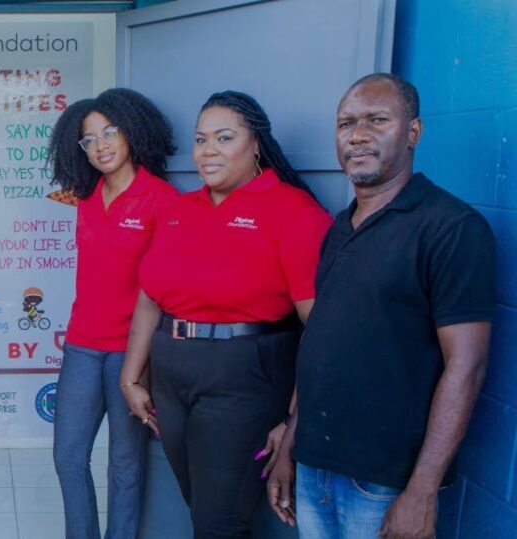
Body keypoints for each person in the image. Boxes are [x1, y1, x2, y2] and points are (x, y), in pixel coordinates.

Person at [266, 73, 496, 539]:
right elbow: (323, 344)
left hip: (382, 483)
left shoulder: (451, 227)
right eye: (346, 123)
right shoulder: (339, 228)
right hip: (315, 466)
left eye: (377, 120)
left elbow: (466, 367)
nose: (358, 135)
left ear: (413, 132)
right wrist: (292, 439)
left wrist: (421, 492)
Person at [121, 91, 332, 538]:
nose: (208, 150)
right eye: (201, 140)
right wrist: (131, 377)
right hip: (172, 375)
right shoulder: (181, 210)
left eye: (224, 137)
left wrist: (295, 421)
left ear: (255, 144)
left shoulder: (293, 211)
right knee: (202, 508)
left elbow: (324, 330)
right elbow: (149, 297)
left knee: (220, 523)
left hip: (244, 376)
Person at [45, 87, 180, 539]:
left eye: (110, 132)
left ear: (132, 133)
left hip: (132, 352)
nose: (101, 145)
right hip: (83, 345)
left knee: (125, 463)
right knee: (68, 456)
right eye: (89, 139)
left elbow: (167, 289)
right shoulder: (86, 196)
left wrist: (145, 365)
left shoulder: (162, 200)